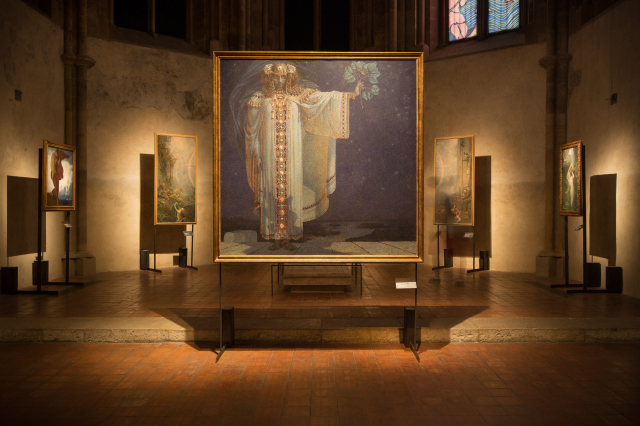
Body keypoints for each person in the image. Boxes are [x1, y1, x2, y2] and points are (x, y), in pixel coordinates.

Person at [243, 62, 363, 251]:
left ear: (289, 77)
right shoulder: (258, 98)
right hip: (269, 156)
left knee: (291, 192)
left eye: (283, 76)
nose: (280, 80)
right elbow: (252, 131)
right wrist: (256, 152)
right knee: (272, 192)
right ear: (269, 77)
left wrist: (351, 94)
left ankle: (288, 237)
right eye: (276, 76)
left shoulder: (298, 96)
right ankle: (275, 237)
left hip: (292, 156)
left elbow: (324, 99)